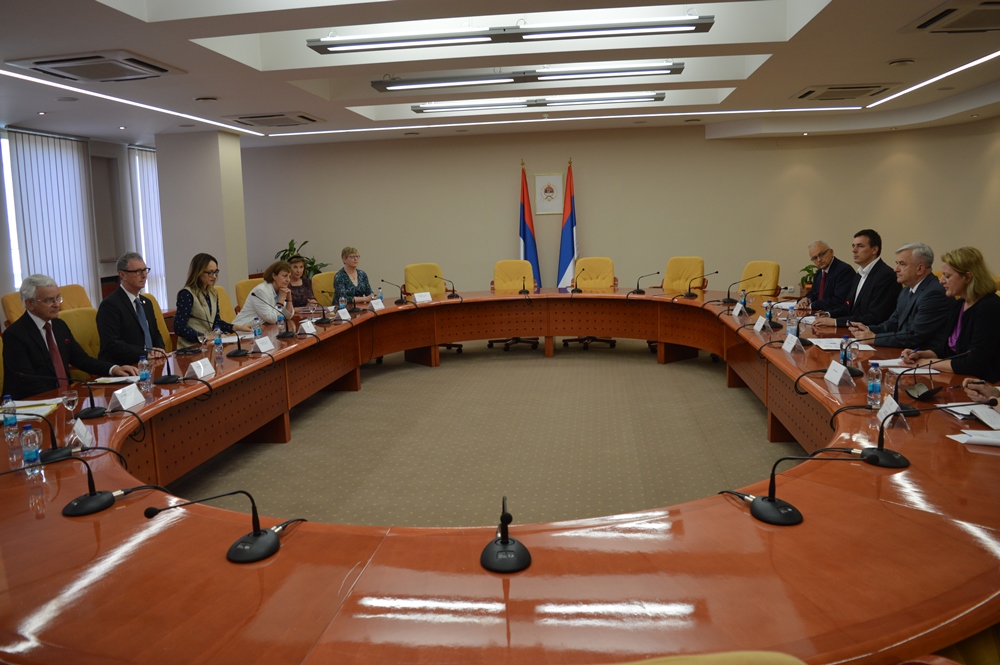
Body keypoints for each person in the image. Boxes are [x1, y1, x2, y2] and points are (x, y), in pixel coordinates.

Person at [3, 275, 137, 399]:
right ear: (30, 303)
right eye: (49, 300)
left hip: (65, 398)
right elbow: (27, 381)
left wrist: (113, 369)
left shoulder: (59, 325)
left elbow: (81, 359)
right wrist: (59, 399)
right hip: (34, 404)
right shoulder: (15, 335)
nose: (57, 304)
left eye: (58, 298)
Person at [901, 247, 1000, 382]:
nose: (941, 281)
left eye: (947, 276)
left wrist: (927, 363)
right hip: (959, 378)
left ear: (967, 277)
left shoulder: (989, 307)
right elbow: (947, 350)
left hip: (984, 383)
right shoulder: (959, 304)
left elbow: (974, 363)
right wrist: (920, 354)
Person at [849, 242, 951, 349]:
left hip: (925, 354)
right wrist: (867, 329)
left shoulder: (934, 293)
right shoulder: (906, 290)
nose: (896, 269)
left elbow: (914, 336)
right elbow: (893, 324)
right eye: (897, 263)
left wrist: (874, 338)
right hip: (906, 351)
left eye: (902, 264)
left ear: (920, 269)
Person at [812, 229, 898, 328]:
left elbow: (875, 317)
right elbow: (848, 307)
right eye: (853, 246)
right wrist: (828, 314)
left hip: (872, 333)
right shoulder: (859, 274)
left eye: (860, 246)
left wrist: (836, 322)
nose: (854, 250)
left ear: (874, 250)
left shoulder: (886, 276)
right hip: (855, 330)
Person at [96, 252, 166, 366]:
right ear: (122, 275)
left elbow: (155, 333)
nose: (144, 275)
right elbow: (112, 344)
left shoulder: (147, 302)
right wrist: (144, 354)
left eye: (145, 270)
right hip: (124, 366)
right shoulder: (110, 305)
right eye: (138, 271)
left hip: (151, 363)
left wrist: (159, 350)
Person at [173, 253, 252, 349]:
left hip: (209, 345)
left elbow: (216, 322)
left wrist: (239, 327)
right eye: (210, 272)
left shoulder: (212, 293)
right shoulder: (187, 294)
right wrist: (204, 337)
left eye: (216, 272)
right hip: (191, 347)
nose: (214, 276)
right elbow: (179, 327)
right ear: (198, 272)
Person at [796, 240, 854, 312]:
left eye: (821, 254)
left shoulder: (844, 270)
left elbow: (839, 300)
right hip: (820, 314)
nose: (819, 260)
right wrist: (806, 299)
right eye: (815, 258)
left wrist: (811, 306)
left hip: (836, 315)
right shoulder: (819, 273)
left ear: (831, 252)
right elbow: (813, 293)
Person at [233, 260, 294, 326]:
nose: (288, 280)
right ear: (274, 276)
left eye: (290, 277)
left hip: (263, 328)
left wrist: (289, 299)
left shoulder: (280, 291)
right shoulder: (260, 291)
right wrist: (281, 299)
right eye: (284, 276)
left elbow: (287, 316)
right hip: (243, 329)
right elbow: (272, 319)